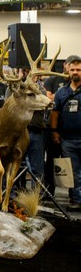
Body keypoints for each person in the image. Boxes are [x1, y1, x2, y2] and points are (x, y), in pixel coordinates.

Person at [50, 55, 81, 212]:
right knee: (73, 171)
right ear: (69, 71)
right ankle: (77, 200)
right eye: (73, 69)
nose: (76, 72)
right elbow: (54, 113)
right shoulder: (62, 92)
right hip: (68, 139)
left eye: (79, 70)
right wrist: (55, 132)